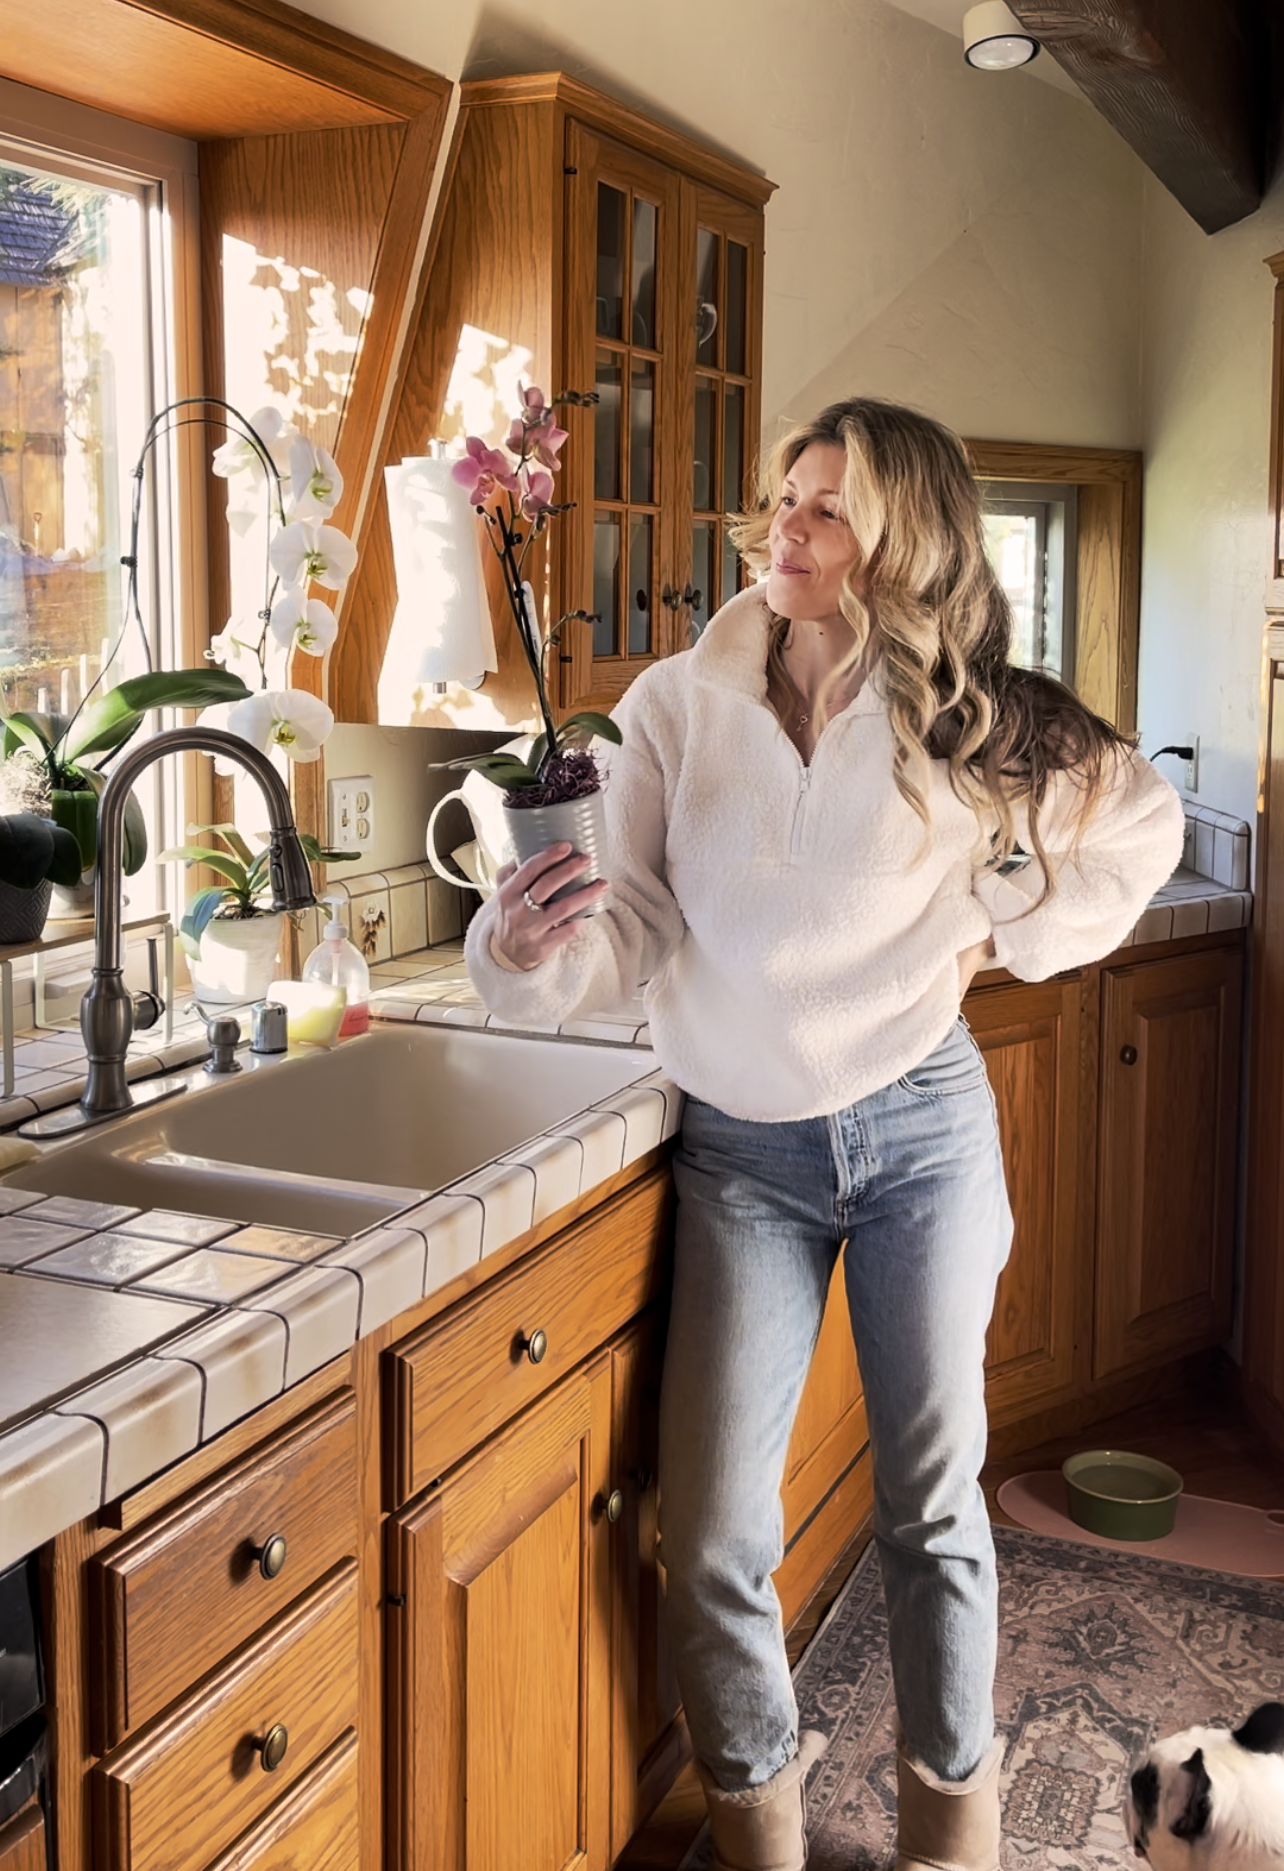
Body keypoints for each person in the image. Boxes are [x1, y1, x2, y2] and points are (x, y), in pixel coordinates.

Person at [464, 396, 1185, 1871]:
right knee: (717, 1535)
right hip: (744, 1154)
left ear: (901, 545)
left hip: (920, 1127)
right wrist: (531, 949)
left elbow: (1140, 826)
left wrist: (1006, 915)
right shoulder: (678, 700)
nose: (783, 530)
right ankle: (760, 1838)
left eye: (826, 510)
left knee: (932, 1507)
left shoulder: (972, 710)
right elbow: (641, 924)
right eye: (785, 500)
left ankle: (949, 1841)